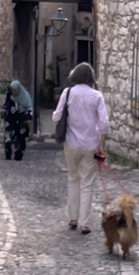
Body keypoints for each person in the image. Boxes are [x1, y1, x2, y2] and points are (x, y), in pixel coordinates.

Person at [52, 62, 109, 235]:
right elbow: (104, 123)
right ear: (91, 77)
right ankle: (84, 223)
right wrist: (101, 144)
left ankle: (73, 218)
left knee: (73, 179)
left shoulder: (67, 93)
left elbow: (56, 117)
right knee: (87, 183)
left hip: (71, 143)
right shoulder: (97, 96)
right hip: (91, 144)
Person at [3, 80, 32, 160]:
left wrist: (29, 117)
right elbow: (6, 104)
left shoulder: (25, 95)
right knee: (8, 135)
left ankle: (19, 153)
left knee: (21, 136)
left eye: (15, 90)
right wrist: (4, 110)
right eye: (12, 90)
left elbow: (29, 107)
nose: (13, 92)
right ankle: (8, 153)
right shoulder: (10, 95)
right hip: (11, 117)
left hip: (22, 117)